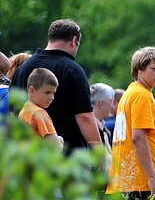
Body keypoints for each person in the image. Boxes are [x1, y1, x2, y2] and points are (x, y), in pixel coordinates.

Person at [10, 19, 101, 153]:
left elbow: (13, 111)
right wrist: (99, 151)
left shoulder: (22, 69)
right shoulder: (72, 70)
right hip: (65, 160)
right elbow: (84, 116)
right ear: (74, 40)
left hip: (29, 158)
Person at [106, 47, 155, 200]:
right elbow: (138, 137)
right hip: (141, 182)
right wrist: (152, 179)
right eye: (154, 69)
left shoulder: (130, 93)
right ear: (139, 69)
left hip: (127, 179)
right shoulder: (141, 95)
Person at [18, 67, 64, 150]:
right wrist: (60, 141)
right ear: (32, 90)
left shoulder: (25, 110)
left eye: (53, 93)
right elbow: (56, 148)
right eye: (47, 92)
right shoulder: (39, 113)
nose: (52, 97)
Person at [90, 82, 115, 173]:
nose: (113, 106)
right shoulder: (89, 129)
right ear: (101, 104)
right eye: (111, 102)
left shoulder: (103, 127)